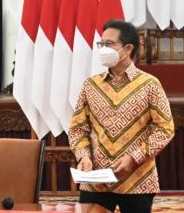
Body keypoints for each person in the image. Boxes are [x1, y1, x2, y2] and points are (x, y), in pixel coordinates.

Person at [68, 20, 174, 213]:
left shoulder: (150, 84)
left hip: (138, 180)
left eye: (109, 44)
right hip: (95, 181)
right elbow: (77, 129)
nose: (102, 49)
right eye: (101, 44)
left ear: (128, 48)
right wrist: (83, 156)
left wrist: (134, 158)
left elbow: (165, 129)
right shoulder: (91, 85)